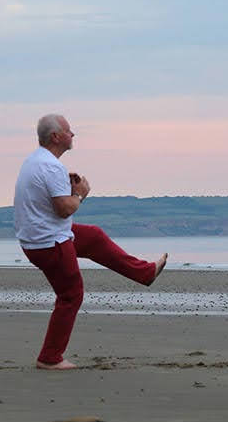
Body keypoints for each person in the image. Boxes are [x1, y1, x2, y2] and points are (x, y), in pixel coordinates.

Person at [14, 113, 168, 370]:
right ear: (55, 137)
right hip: (49, 243)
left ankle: (145, 273)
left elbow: (48, 198)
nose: (73, 134)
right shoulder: (50, 166)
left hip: (42, 238)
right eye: (68, 131)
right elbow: (64, 208)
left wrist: (66, 185)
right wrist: (81, 194)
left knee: (93, 237)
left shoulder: (37, 161)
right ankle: (49, 358)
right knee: (71, 295)